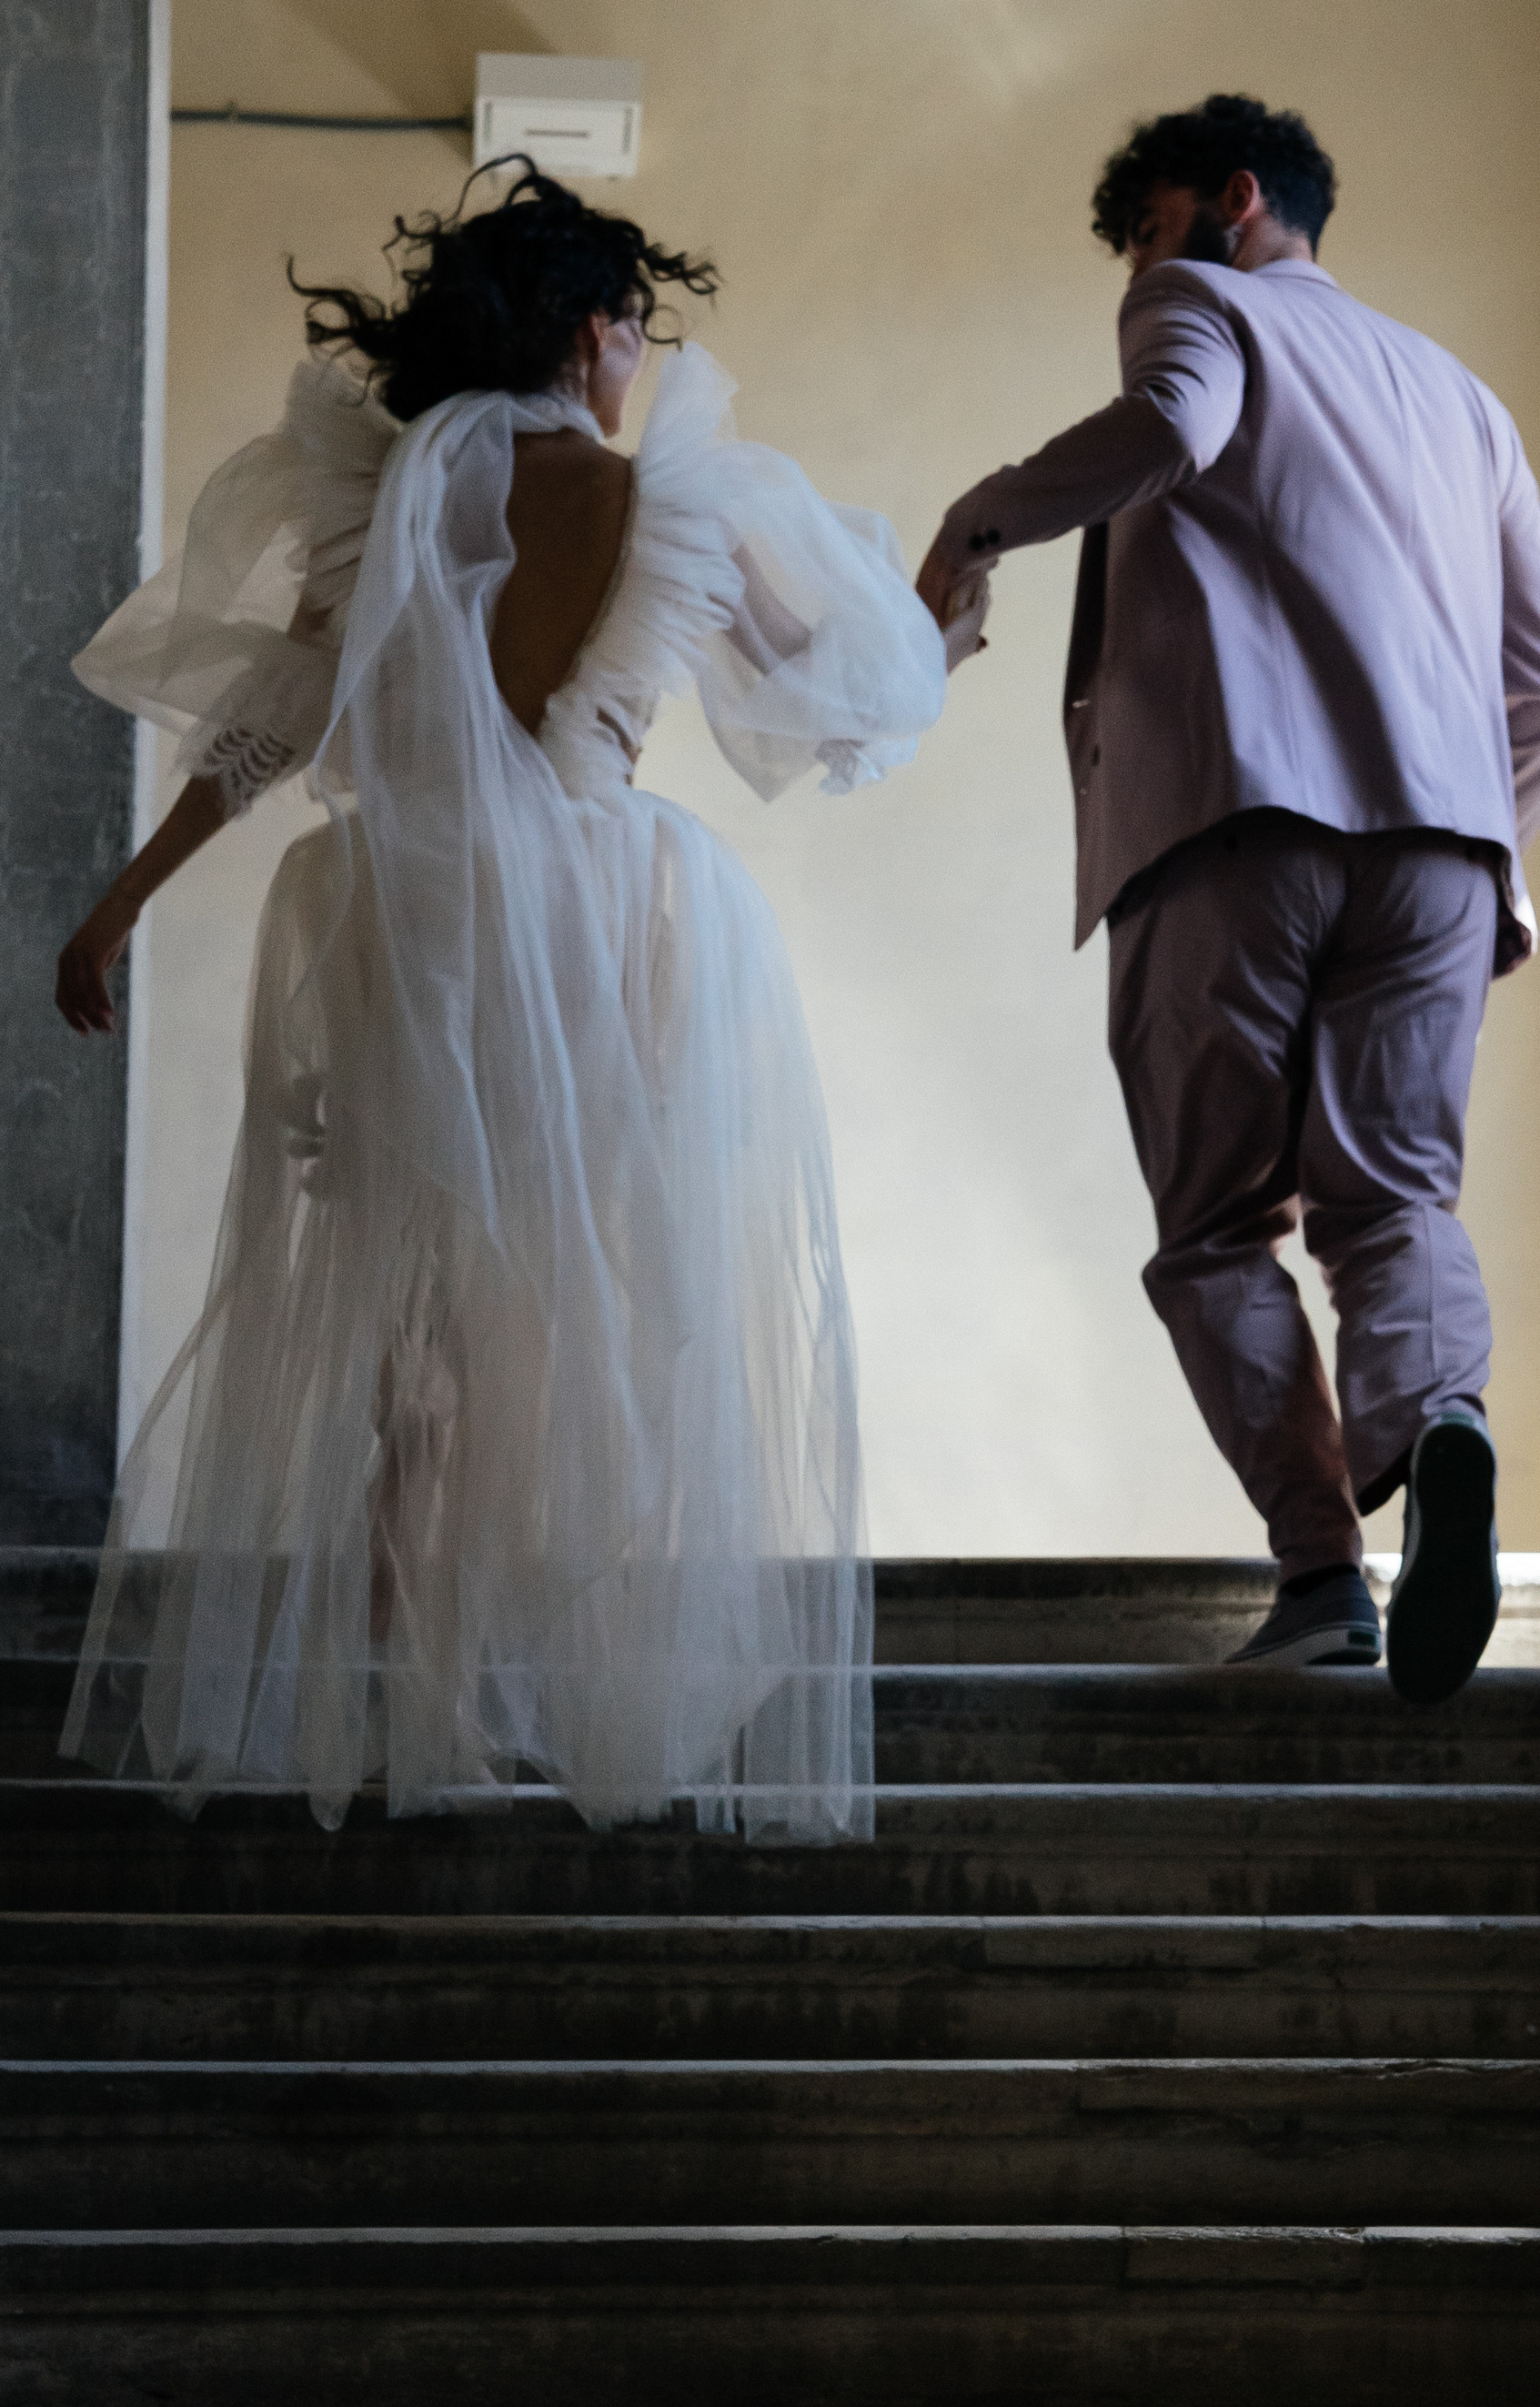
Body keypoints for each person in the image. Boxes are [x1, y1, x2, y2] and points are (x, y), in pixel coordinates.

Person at [54, 163, 946, 1836]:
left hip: (423, 915)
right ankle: (558, 1668)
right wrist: (941, 639)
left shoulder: (388, 500)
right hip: (612, 920)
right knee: (602, 1295)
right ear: (595, 328)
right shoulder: (674, 496)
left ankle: (430, 1688)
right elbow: (823, 692)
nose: (636, 360)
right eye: (630, 328)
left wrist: (118, 906)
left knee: (426, 1317)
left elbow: (278, 720)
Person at [917, 95, 1540, 1702]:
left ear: (1234, 204)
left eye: (1146, 232)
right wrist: (1471, 839)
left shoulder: (1202, 304)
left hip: (1234, 833)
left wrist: (979, 518)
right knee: (1393, 1203)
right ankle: (1440, 1432)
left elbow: (1166, 429)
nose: (1138, 275)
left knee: (1217, 1230)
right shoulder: (1462, 397)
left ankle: (1320, 1577)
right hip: (1441, 852)